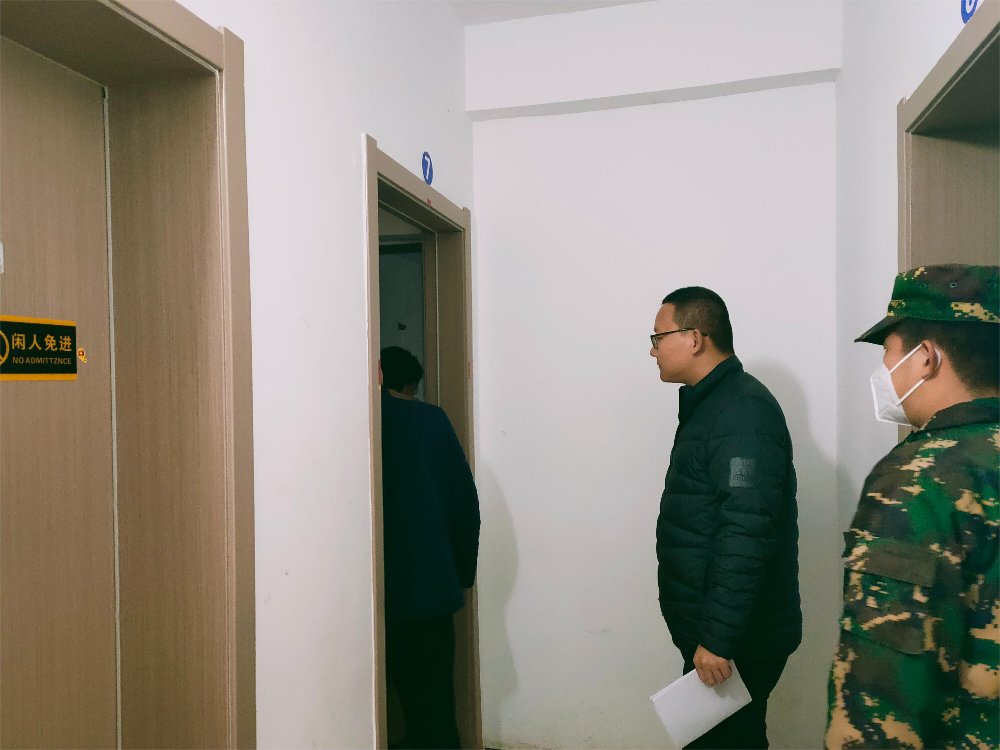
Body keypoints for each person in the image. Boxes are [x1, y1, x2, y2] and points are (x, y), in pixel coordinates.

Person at [826, 264, 999, 750]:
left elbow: (880, 697)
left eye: (888, 351)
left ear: (925, 358)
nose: (884, 369)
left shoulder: (919, 478)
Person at [651, 286, 801, 749]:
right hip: (722, 632)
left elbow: (746, 529)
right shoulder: (715, 405)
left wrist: (718, 638)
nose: (653, 350)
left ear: (695, 338)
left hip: (736, 638)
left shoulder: (742, 412)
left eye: (658, 337)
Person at [379, 346, 480, 750]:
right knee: (433, 704)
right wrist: (462, 573)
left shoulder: (358, 419)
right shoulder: (432, 420)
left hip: (372, 587)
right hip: (429, 583)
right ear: (409, 384)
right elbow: (464, 504)